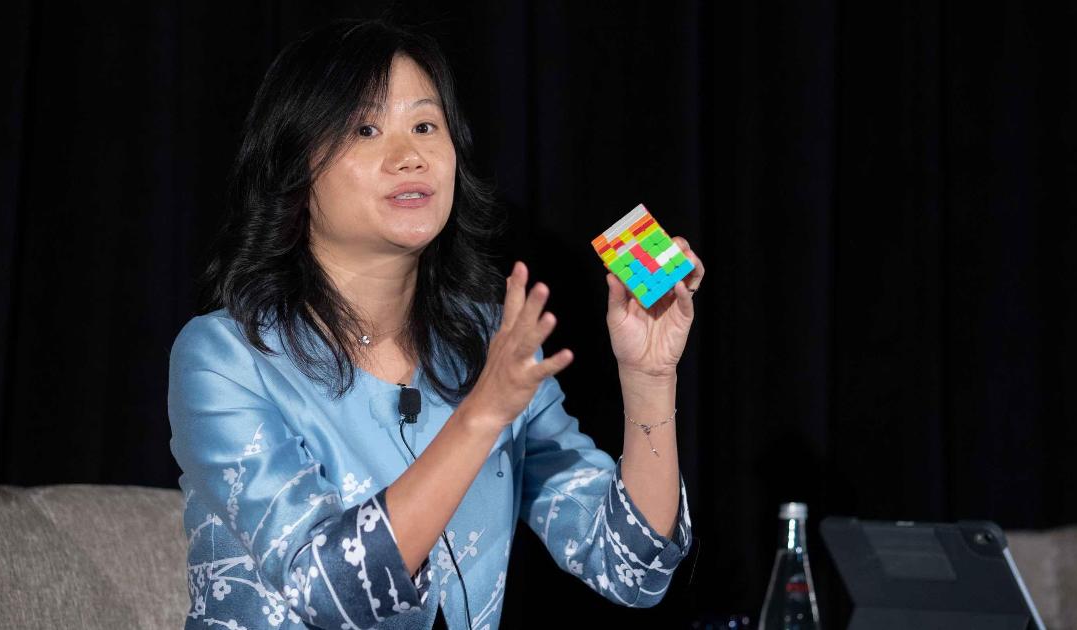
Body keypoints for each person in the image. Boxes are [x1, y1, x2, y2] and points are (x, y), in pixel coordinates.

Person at [168, 18, 702, 630]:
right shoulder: (225, 357)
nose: (409, 156)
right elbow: (329, 593)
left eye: (425, 125)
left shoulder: (488, 344)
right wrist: (482, 414)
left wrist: (647, 376)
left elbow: (632, 569)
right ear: (295, 171)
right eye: (365, 130)